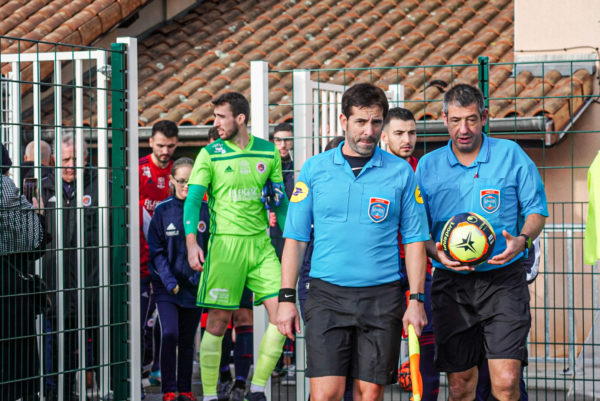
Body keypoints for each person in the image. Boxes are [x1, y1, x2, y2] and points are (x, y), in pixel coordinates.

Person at [277, 83, 429, 401]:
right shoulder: (315, 169)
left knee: (368, 395)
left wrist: (416, 300)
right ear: (344, 121)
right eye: (361, 121)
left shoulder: (402, 173)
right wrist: (286, 298)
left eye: (376, 122)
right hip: (327, 296)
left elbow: (415, 241)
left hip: (382, 298)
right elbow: (296, 239)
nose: (368, 131)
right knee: (325, 395)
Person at [415, 84, 548, 401]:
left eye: (471, 119)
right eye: (456, 120)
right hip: (451, 284)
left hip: (503, 282)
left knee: (506, 382)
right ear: (444, 119)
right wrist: (436, 252)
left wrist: (522, 240)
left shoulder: (511, 155)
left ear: (484, 117)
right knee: (460, 386)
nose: (464, 129)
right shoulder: (428, 166)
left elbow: (536, 211)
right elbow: (418, 232)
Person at [184, 92, 289, 401]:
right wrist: (192, 243)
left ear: (240, 118)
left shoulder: (268, 152)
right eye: (215, 116)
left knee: (282, 317)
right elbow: (192, 201)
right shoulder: (209, 154)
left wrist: (295, 242)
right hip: (225, 248)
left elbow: (280, 203)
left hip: (261, 247)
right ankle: (209, 396)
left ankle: (256, 389)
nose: (215, 123)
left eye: (221, 117)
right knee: (217, 323)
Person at [381, 107, 439, 401]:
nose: (407, 140)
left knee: (426, 350)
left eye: (412, 133)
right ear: (384, 136)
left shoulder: (424, 171)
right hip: (381, 273)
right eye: (399, 133)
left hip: (419, 269)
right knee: (375, 356)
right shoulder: (373, 170)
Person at [41, 134, 103, 400]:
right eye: (65, 159)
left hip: (93, 287)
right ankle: (61, 394)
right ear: (55, 159)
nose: (70, 166)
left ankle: (105, 391)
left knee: (100, 350)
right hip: (54, 287)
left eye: (76, 159)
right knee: (58, 351)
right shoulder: (42, 188)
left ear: (87, 159)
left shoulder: (101, 186)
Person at [147, 157, 208, 401]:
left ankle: (185, 389)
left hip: (194, 287)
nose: (186, 186)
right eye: (181, 181)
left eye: (191, 181)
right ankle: (168, 389)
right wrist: (170, 282)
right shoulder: (163, 211)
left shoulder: (206, 210)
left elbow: (211, 248)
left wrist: (202, 278)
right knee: (170, 333)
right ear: (171, 180)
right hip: (167, 287)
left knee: (187, 341)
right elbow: (156, 251)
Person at [0, 143, 46, 401]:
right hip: (9, 294)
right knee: (14, 373)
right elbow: (35, 244)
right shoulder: (5, 188)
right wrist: (38, 214)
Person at [139, 120, 179, 387]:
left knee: (166, 322)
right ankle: (138, 372)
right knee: (141, 321)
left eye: (171, 146)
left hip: (169, 262)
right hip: (141, 261)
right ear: (151, 142)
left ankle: (159, 370)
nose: (165, 151)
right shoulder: (137, 170)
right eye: (161, 145)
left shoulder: (178, 174)